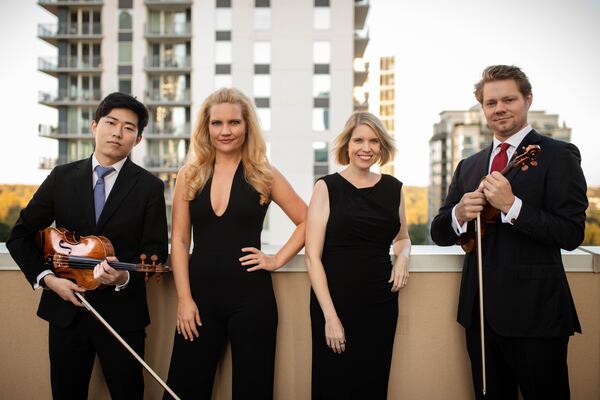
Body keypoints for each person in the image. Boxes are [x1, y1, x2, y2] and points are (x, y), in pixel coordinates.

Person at [430, 65, 587, 399]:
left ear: (527, 100)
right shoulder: (469, 165)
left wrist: (512, 206)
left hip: (536, 314)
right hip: (480, 313)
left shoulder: (559, 156)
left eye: (508, 99)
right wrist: (459, 213)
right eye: (490, 102)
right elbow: (440, 232)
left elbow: (571, 233)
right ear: (483, 108)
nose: (499, 108)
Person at [7, 92, 169, 399]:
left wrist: (123, 277)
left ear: (138, 139)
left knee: (128, 393)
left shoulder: (149, 187)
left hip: (123, 316)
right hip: (66, 311)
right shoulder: (61, 177)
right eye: (111, 122)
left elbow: (155, 250)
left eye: (129, 128)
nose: (118, 132)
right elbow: (20, 235)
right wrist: (50, 280)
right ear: (94, 126)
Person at [163, 88, 307, 400]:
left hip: (252, 299)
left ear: (246, 126)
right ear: (206, 127)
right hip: (198, 300)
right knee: (184, 389)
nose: (225, 131)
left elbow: (308, 220)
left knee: (253, 390)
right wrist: (184, 299)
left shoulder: (263, 173)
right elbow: (179, 239)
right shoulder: (190, 175)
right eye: (217, 123)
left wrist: (276, 259)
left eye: (234, 123)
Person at [306, 111, 411, 400]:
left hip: (381, 304)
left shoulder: (394, 188)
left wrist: (402, 257)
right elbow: (312, 257)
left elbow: (402, 238)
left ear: (381, 147)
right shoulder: (326, 187)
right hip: (335, 303)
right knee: (333, 385)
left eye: (374, 142)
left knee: (373, 385)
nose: (366, 148)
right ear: (347, 146)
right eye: (359, 140)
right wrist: (330, 317)